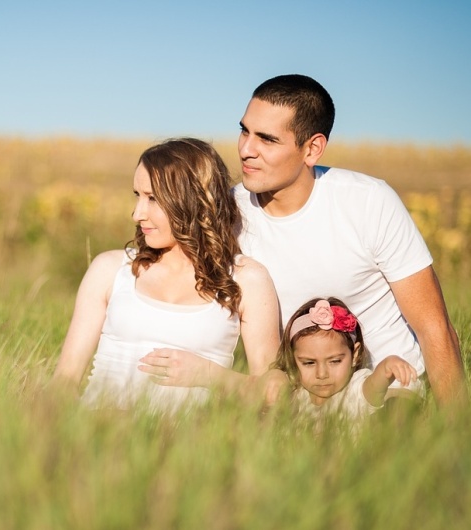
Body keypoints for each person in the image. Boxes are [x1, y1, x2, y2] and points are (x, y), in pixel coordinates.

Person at [140, 74, 467, 409]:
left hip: (389, 391)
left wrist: (455, 432)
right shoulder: (227, 214)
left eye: (267, 139)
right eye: (244, 131)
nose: (246, 149)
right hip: (298, 398)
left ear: (312, 149)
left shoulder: (369, 201)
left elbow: (434, 327)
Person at [51, 138, 282, 414]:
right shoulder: (110, 270)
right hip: (99, 439)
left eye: (153, 199)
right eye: (137, 195)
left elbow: (276, 392)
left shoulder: (247, 279)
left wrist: (209, 374)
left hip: (191, 449)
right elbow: (64, 381)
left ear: (193, 199)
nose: (138, 213)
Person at [272, 297, 417, 433]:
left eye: (334, 361)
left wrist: (386, 367)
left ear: (354, 355)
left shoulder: (355, 390)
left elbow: (374, 387)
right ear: (292, 359)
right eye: (309, 363)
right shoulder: (296, 394)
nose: (322, 374)